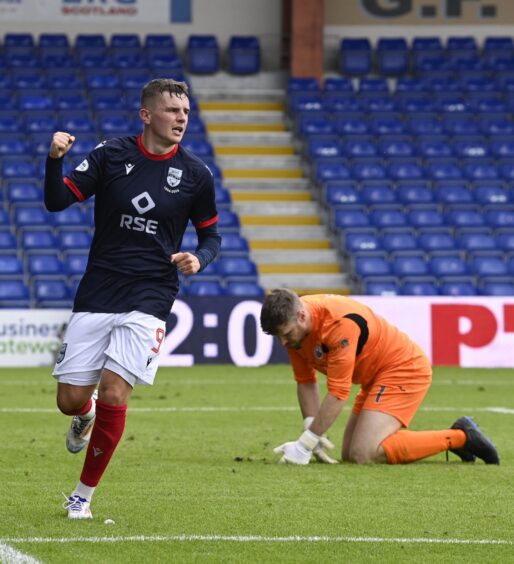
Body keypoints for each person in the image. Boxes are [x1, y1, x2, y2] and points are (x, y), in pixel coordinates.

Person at [44, 78, 221, 519]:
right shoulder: (111, 155)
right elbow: (56, 201)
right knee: (69, 399)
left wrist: (199, 258)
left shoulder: (197, 174)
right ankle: (83, 415)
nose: (182, 118)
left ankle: (81, 496)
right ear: (146, 115)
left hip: (152, 294)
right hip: (99, 290)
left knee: (116, 392)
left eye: (185, 111)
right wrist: (54, 161)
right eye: (172, 110)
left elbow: (211, 235)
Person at [260, 289, 499, 466]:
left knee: (365, 453)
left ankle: (461, 437)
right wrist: (311, 430)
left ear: (301, 316)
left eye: (287, 334)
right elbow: (306, 381)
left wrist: (305, 445)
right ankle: (459, 438)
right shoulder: (295, 331)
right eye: (279, 337)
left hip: (403, 368)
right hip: (374, 377)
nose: (284, 343)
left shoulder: (338, 324)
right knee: (350, 455)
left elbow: (338, 393)